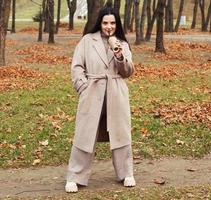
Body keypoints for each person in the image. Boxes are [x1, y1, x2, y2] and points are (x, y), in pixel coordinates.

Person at [65, 5, 136, 193]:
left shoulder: (122, 44)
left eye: (112, 23)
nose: (109, 27)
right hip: (92, 92)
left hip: (116, 93)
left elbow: (128, 72)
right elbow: (77, 66)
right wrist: (83, 86)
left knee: (121, 134)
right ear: (100, 23)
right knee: (84, 134)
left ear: (117, 24)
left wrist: (119, 55)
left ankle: (126, 173)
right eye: (105, 23)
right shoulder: (87, 41)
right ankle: (75, 176)